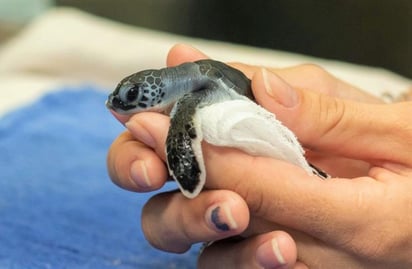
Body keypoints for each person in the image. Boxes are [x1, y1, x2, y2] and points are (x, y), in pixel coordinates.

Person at [107, 44, 412, 269]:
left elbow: (185, 126)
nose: (124, 106)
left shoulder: (191, 96)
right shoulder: (178, 102)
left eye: (132, 98)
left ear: (159, 88)